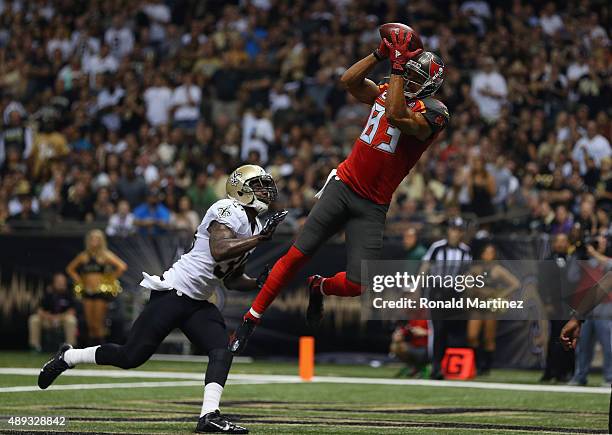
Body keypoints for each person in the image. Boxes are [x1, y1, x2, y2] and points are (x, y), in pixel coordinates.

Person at [231, 28, 449, 353]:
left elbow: (396, 114)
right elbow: (349, 82)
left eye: (415, 76)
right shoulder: (390, 86)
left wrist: (399, 67)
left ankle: (319, 286)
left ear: (429, 84)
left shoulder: (434, 113)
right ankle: (249, 320)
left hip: (372, 204)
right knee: (295, 255)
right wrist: (379, 54)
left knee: (358, 284)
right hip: (344, 185)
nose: (409, 79)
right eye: (408, 73)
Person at [38, 165, 287, 434]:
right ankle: (70, 356)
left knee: (221, 350)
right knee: (130, 356)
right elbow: (218, 249)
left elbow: (230, 278)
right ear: (241, 189)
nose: (265, 191)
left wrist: (257, 282)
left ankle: (209, 416)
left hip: (198, 302)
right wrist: (259, 240)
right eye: (258, 185)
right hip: (174, 293)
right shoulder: (228, 209)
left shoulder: (254, 224)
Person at [420, 217, 472, 379]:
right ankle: (435, 366)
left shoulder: (465, 251)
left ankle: (440, 365)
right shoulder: (437, 248)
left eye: (458, 230)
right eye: (453, 229)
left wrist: (465, 294)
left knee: (447, 330)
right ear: (448, 231)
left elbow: (466, 276)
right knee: (438, 329)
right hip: (437, 291)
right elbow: (425, 268)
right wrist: (419, 290)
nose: (455, 233)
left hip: (453, 294)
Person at [66, 229, 127, 345]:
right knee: (90, 324)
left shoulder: (105, 255)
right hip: (87, 292)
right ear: (89, 241)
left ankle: (100, 349)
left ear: (101, 241)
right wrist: (79, 280)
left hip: (100, 292)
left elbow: (122, 266)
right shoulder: (84, 256)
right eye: (92, 238)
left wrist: (109, 279)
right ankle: (91, 350)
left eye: (97, 238)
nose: (94, 241)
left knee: (98, 323)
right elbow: (70, 269)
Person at [466, 244, 519, 374]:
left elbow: (515, 284)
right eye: (486, 252)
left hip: (490, 306)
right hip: (477, 305)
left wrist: (500, 294)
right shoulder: (476, 269)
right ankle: (476, 363)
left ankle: (486, 367)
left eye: (491, 253)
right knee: (472, 336)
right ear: (482, 254)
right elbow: (464, 281)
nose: (488, 255)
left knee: (488, 338)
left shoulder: (498, 270)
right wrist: (472, 289)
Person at [569, 233, 612, 386]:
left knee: (608, 345)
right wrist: (576, 253)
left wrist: (595, 253)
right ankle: (580, 376)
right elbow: (572, 276)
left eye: (601, 241)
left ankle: (609, 377)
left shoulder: (607, 260)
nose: (598, 244)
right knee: (583, 345)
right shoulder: (585, 260)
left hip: (605, 307)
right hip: (586, 307)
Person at [540, 233, 575, 382]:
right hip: (554, 304)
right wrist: (546, 303)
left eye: (564, 241)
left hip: (570, 305)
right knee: (555, 337)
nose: (561, 244)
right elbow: (542, 284)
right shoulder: (547, 261)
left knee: (570, 338)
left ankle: (567, 371)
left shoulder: (573, 260)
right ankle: (551, 371)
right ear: (554, 244)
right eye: (558, 241)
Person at [28, 273, 77, 352]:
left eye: (62, 281)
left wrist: (59, 317)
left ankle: (70, 349)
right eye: (58, 281)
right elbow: (39, 310)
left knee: (71, 320)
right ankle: (35, 347)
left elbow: (72, 311)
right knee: (34, 319)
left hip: (62, 320)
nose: (61, 283)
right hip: (48, 320)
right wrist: (49, 317)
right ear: (54, 282)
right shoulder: (48, 294)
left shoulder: (69, 294)